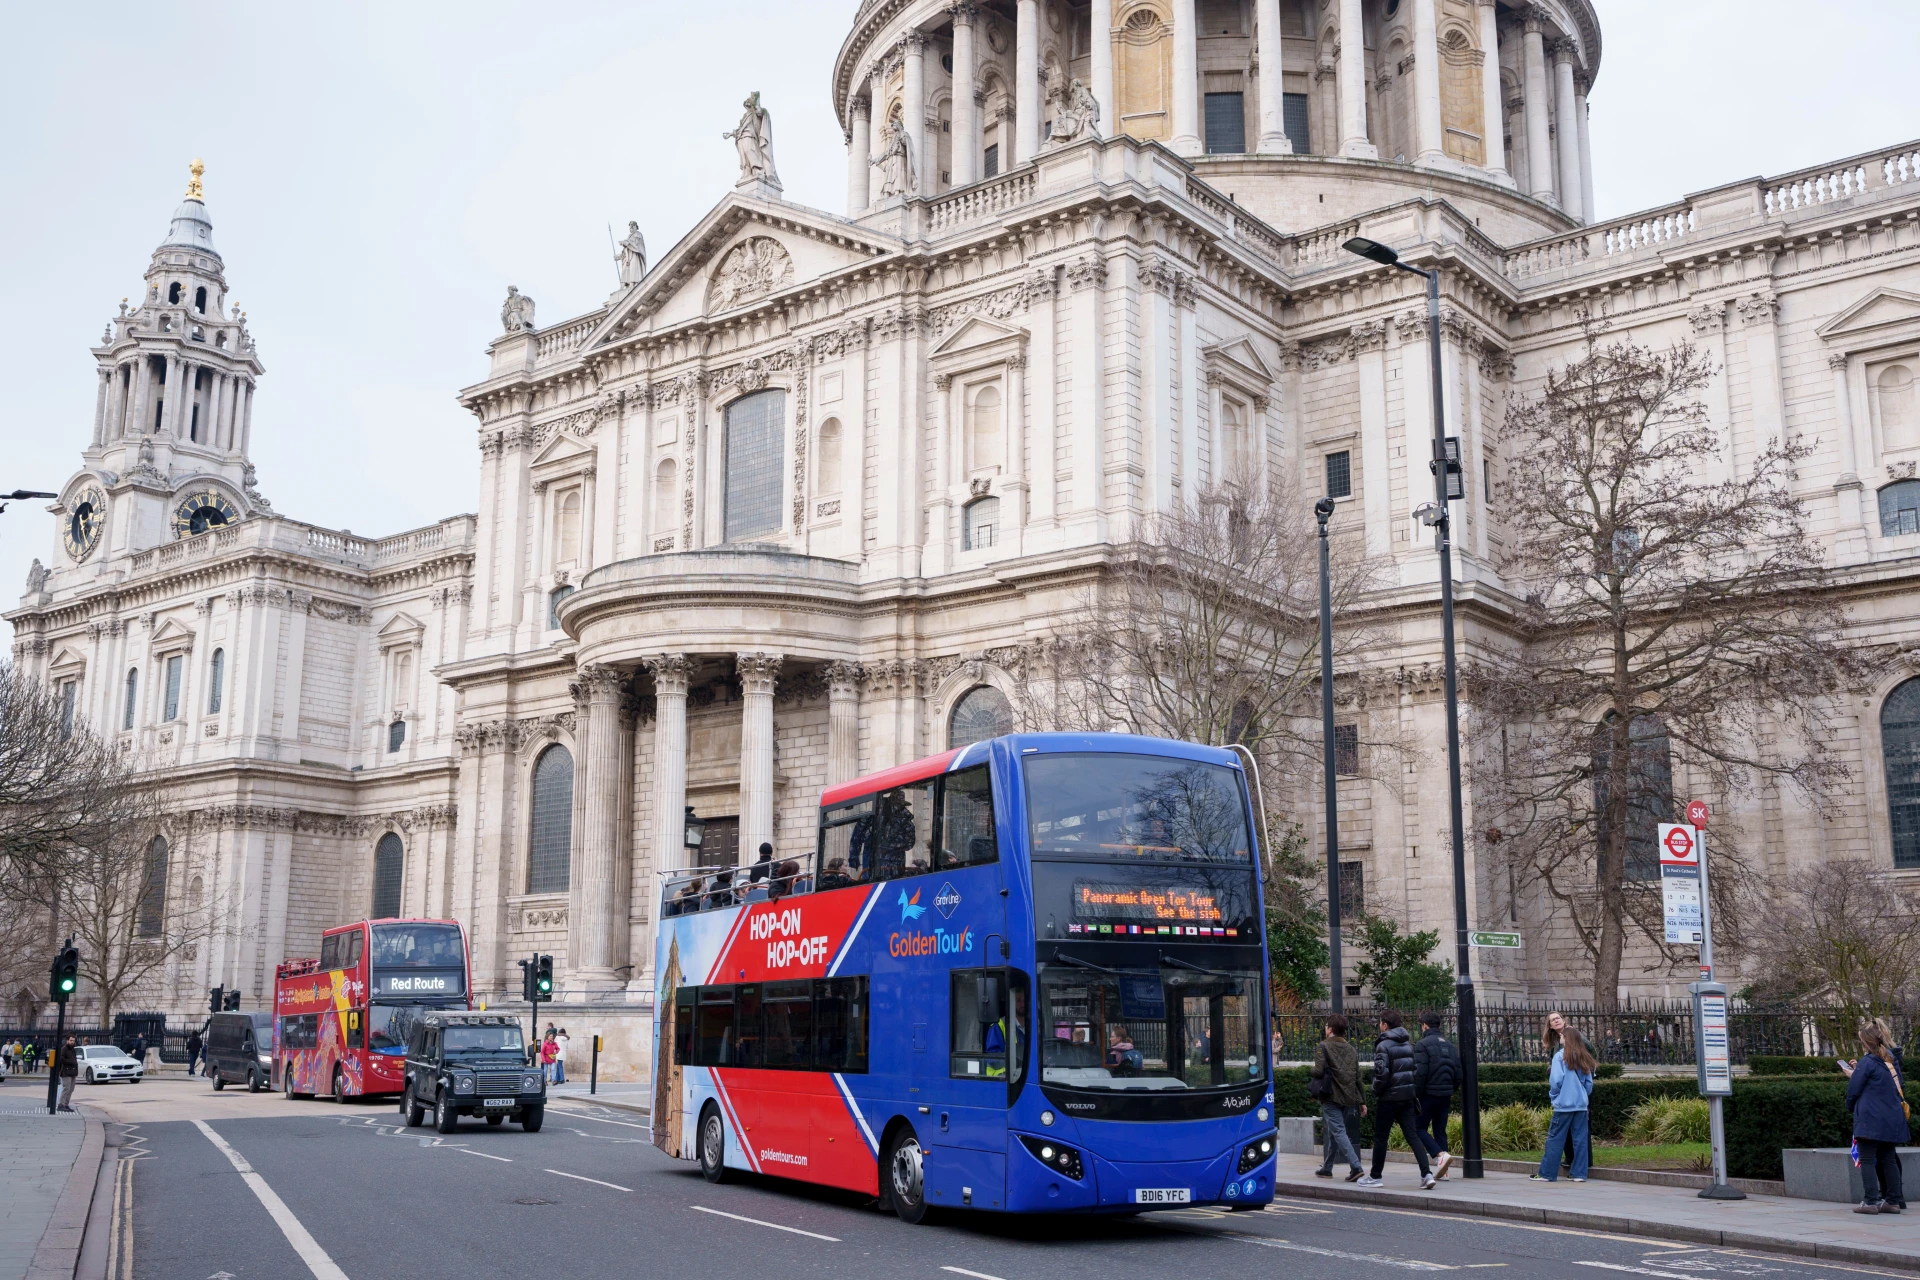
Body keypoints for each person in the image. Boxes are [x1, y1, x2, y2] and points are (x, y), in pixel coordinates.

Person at [1841, 1020, 1909, 1213]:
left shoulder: (1868, 1062)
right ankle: (1893, 1201)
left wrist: (1851, 1104)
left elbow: (1854, 1092)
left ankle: (1870, 1201)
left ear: (1866, 1042)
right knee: (1888, 1158)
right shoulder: (1891, 1061)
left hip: (1870, 1119)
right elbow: (1899, 1088)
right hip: (1892, 1118)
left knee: (1867, 1159)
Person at [1361, 1012, 1435, 1189]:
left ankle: (1375, 1176)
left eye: (1380, 1023)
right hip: (1407, 1097)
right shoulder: (1407, 1045)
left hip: (1388, 1098)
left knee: (1381, 1137)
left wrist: (1375, 1090)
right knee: (1413, 1136)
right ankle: (1427, 1174)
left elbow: (1381, 1073)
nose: (1379, 1026)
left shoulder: (1383, 1045)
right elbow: (1414, 1071)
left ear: (1385, 1025)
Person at [1532, 1025, 1596, 1183]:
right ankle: (1579, 1173)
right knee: (1580, 1139)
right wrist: (1581, 1096)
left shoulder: (1559, 1056)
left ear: (1566, 1039)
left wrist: (1554, 1096)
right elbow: (1589, 1084)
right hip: (1580, 1105)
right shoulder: (1585, 1057)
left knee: (1555, 1138)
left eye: (1562, 1036)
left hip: (1564, 1105)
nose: (1560, 1038)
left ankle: (1547, 1173)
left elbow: (1556, 1081)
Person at [1311, 1013, 1367, 1182]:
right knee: (1336, 1132)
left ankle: (1356, 1167)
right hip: (1349, 1097)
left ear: (1330, 1029)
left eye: (1327, 1026)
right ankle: (1327, 1168)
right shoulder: (1351, 1048)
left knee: (1339, 1132)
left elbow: (1318, 1071)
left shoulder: (1323, 1046)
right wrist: (1362, 1101)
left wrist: (1310, 1069)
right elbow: (1358, 1077)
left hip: (1330, 1096)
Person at [1412, 1011, 1462, 1179]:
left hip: (1428, 1094)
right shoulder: (1450, 1045)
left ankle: (1439, 1156)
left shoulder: (1422, 1044)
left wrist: (1416, 1095)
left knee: (1417, 1127)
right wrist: (1450, 1089)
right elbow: (1458, 1074)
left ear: (1425, 1025)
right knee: (1440, 1130)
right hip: (1445, 1094)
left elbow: (1420, 1074)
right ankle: (1444, 1171)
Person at [56, 1035, 79, 1112]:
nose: (72, 1042)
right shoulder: (64, 1049)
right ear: (67, 1041)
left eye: (73, 1040)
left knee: (71, 1089)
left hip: (73, 1072)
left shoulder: (73, 1050)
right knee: (66, 1088)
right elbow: (61, 1059)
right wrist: (70, 1062)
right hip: (66, 1072)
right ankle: (61, 1104)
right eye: (71, 1040)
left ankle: (66, 1104)